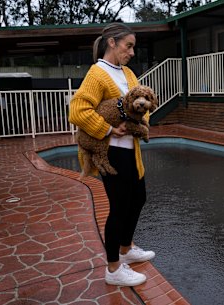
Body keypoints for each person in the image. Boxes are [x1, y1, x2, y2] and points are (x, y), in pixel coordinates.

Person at [69, 22, 155, 287]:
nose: (131, 52)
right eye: (128, 46)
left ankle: (126, 250)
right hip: (112, 152)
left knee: (138, 198)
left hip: (132, 151)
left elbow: (143, 105)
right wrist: (106, 129)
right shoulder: (98, 73)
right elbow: (78, 111)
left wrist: (142, 122)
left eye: (133, 47)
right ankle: (113, 269)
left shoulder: (128, 74)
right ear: (112, 43)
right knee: (118, 208)